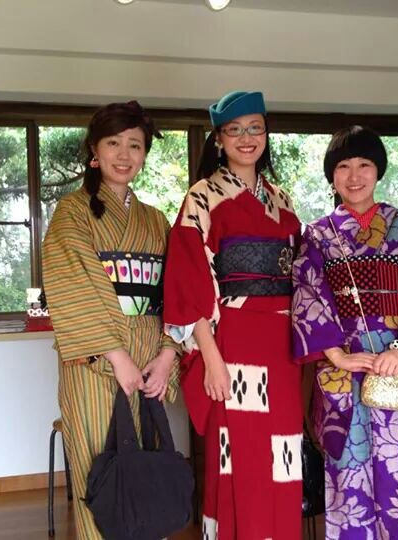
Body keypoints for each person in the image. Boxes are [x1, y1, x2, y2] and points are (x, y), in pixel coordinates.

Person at [291, 125, 398, 539]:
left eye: (364, 164)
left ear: (378, 170)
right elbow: (308, 292)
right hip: (343, 365)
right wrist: (337, 355)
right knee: (347, 477)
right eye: (343, 167)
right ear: (332, 176)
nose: (354, 176)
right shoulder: (318, 235)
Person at [162, 91, 303, 540]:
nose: (247, 138)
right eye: (234, 130)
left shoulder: (282, 200)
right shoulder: (202, 197)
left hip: (282, 345)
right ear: (219, 140)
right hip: (233, 344)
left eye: (255, 128)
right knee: (237, 455)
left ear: (267, 134)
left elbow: (303, 275)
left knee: (283, 455)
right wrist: (211, 359)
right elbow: (190, 284)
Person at [42, 101, 180, 539]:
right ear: (95, 151)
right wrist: (117, 355)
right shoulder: (72, 212)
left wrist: (167, 356)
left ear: (144, 154)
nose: (124, 154)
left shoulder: (156, 220)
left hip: (149, 360)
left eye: (135, 145)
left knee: (146, 474)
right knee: (99, 473)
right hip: (95, 361)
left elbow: (177, 292)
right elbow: (71, 285)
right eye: (114, 143)